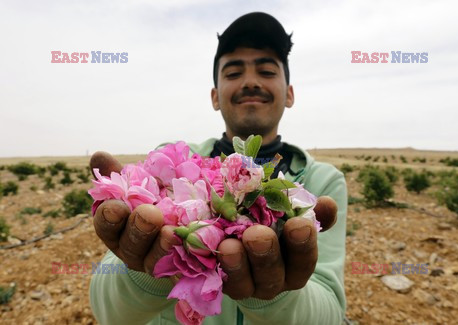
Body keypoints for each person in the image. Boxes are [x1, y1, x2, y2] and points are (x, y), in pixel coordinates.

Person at [89, 12, 347, 324]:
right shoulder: (167, 168)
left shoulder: (322, 182)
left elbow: (330, 315)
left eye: (266, 70)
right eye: (233, 73)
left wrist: (274, 289)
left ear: (290, 94)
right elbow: (108, 312)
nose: (251, 82)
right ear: (214, 97)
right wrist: (153, 269)